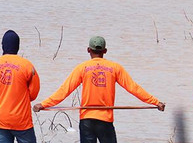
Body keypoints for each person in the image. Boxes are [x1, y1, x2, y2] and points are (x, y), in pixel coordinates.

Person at [33, 36, 165, 143]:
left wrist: (43, 104)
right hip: (105, 121)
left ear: (88, 50)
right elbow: (134, 88)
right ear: (105, 51)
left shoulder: (82, 68)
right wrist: (155, 102)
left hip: (87, 121)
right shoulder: (115, 67)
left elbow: (64, 90)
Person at [0, 30, 40, 143]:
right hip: (22, 121)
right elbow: (33, 94)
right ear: (18, 46)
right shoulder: (27, 66)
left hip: (1, 120)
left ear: (2, 46)